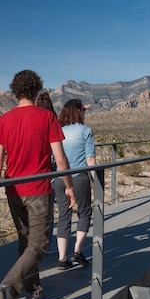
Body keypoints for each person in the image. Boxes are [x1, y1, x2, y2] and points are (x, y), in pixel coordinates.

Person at [0, 70, 75, 299]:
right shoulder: (47, 117)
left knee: (26, 242)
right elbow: (60, 159)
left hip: (13, 190)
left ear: (15, 91)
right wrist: (69, 186)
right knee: (39, 244)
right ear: (37, 90)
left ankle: (33, 290)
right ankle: (8, 289)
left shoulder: (4, 120)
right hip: (38, 190)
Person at [54, 99, 97, 270]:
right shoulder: (85, 131)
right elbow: (90, 159)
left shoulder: (59, 131)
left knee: (64, 215)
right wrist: (97, 180)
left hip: (59, 177)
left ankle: (62, 258)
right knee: (85, 213)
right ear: (78, 111)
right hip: (79, 177)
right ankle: (78, 251)